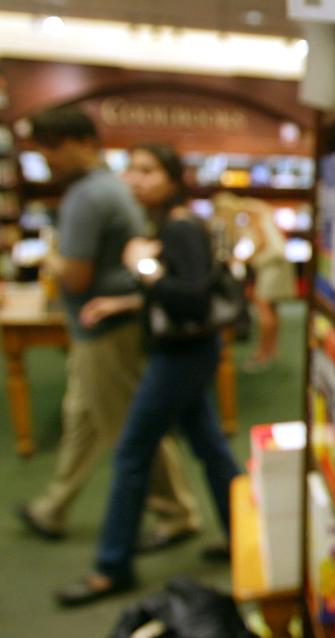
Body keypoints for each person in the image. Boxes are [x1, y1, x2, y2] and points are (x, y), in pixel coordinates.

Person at [55, 143, 242, 606]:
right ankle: (245, 534)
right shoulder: (165, 225)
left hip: (182, 354)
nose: (134, 179)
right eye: (130, 170)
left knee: (133, 451)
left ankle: (110, 566)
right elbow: (173, 294)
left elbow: (192, 300)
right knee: (210, 448)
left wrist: (141, 266)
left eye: (146, 170)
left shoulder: (179, 228)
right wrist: (124, 298)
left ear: (173, 176)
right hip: (180, 350)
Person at [17, 108, 201, 549]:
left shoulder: (88, 197)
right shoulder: (102, 190)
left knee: (131, 430)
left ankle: (177, 514)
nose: (48, 159)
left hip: (107, 328)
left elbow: (78, 276)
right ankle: (54, 505)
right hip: (101, 327)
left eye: (53, 147)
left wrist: (47, 255)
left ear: (82, 142)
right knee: (81, 419)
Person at [213, 191, 296, 371]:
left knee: (264, 307)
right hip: (277, 265)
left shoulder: (251, 211)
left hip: (270, 266)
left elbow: (261, 242)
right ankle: (271, 349)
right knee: (272, 309)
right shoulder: (256, 209)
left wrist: (243, 259)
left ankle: (263, 352)